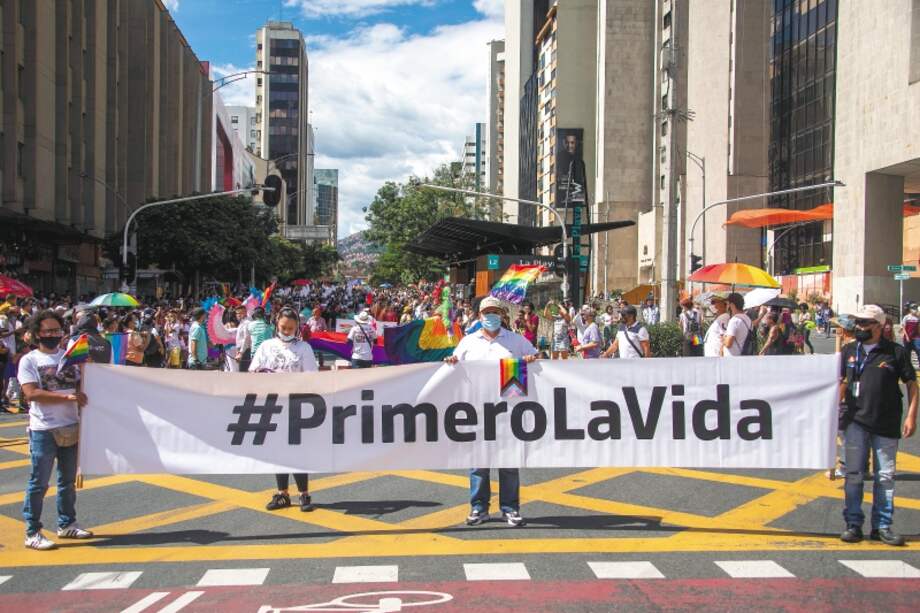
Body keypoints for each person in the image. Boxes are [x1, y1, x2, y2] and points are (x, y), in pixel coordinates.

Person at [446, 296, 536, 528]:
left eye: (496, 312)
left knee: (508, 464)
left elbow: (536, 358)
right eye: (487, 312)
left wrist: (530, 359)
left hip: (508, 411)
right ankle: (479, 507)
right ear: (479, 315)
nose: (491, 316)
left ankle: (510, 508)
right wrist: (452, 361)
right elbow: (454, 365)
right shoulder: (468, 342)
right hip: (476, 410)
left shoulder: (516, 341)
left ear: (502, 315)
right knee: (478, 464)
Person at [839, 305, 917, 546]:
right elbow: (841, 381)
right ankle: (853, 524)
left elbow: (912, 385)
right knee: (853, 475)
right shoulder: (849, 350)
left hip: (886, 421)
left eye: (865, 322)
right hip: (855, 421)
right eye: (858, 322)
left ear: (880, 326)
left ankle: (882, 526)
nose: (860, 326)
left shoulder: (896, 352)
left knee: (885, 477)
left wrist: (911, 416)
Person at [18, 310, 94, 550]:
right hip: (44, 429)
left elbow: (86, 387)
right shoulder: (29, 360)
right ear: (37, 334)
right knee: (39, 482)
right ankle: (32, 531)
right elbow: (31, 394)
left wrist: (91, 372)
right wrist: (68, 397)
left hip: (71, 426)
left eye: (57, 331)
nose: (52, 335)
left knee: (67, 481)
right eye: (47, 331)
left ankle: (67, 523)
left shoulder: (70, 358)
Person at [249, 307, 320, 513]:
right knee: (278, 452)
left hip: (296, 406)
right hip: (271, 406)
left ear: (297, 327)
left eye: (291, 328)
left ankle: (304, 494)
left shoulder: (304, 348)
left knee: (297, 452)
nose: (287, 331)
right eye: (283, 327)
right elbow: (252, 372)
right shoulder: (266, 346)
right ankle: (282, 494)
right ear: (276, 324)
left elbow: (311, 377)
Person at [722, 293, 753, 357]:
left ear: (732, 305)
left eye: (728, 304)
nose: (727, 307)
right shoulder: (748, 319)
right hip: (743, 356)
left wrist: (723, 338)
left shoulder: (734, 320)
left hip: (732, 358)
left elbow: (728, 343)